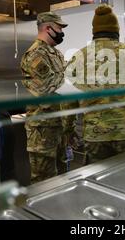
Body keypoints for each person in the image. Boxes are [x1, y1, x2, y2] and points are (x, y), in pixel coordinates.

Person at [67, 4, 125, 164]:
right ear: (116, 31)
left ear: (94, 32)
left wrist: (68, 130)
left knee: (98, 181)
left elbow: (68, 99)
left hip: (96, 134)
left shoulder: (78, 57)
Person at [21, 12, 74, 184]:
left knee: (62, 178)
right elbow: (46, 88)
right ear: (47, 28)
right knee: (44, 180)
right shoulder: (35, 54)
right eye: (59, 28)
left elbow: (67, 81)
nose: (61, 32)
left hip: (59, 127)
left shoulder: (55, 53)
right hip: (43, 131)